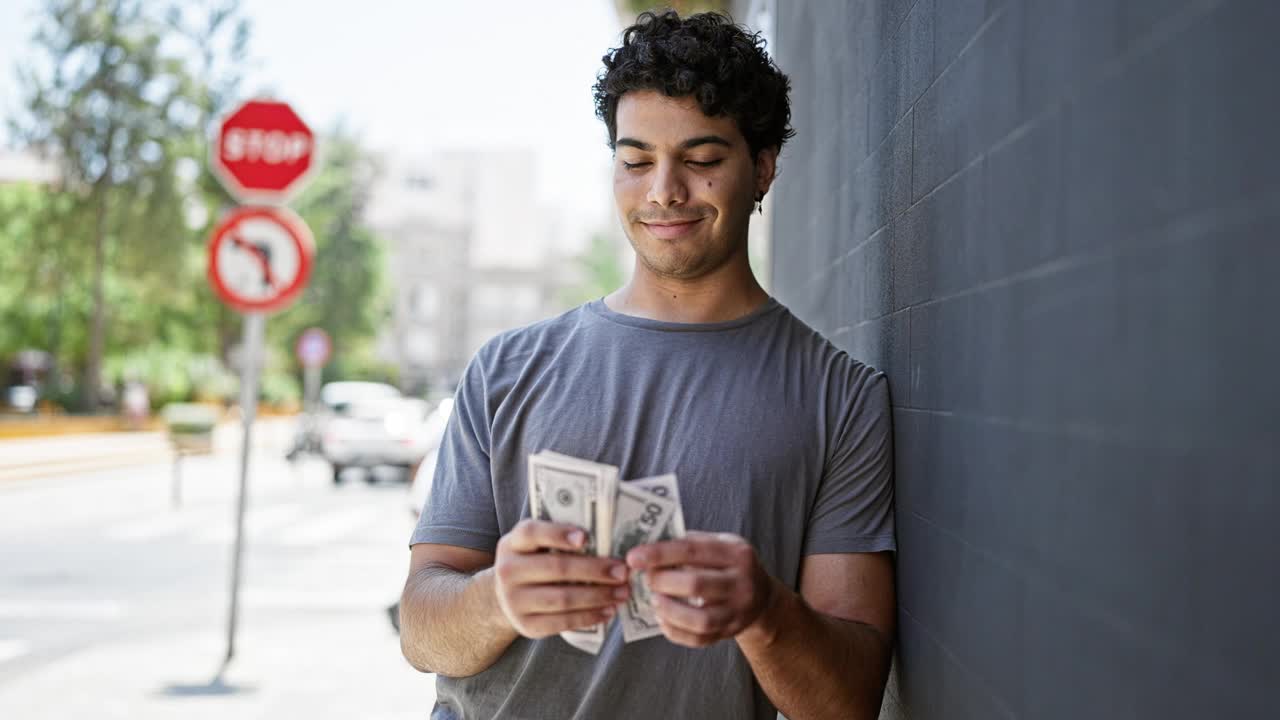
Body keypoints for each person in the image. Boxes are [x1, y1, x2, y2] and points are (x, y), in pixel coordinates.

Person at [399, 11, 896, 720]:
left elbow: (847, 702)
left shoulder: (841, 398)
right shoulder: (505, 370)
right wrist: (496, 598)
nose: (662, 190)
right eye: (635, 161)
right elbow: (422, 634)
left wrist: (765, 613)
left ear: (762, 167)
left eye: (700, 159)